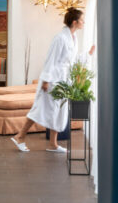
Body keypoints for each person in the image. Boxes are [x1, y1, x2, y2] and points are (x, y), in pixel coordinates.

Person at [12, 8, 94, 152]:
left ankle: (53, 144)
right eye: (82, 20)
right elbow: (51, 59)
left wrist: (88, 54)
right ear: (75, 22)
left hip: (63, 80)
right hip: (52, 80)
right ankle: (20, 136)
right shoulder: (60, 38)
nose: (84, 22)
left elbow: (72, 60)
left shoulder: (73, 38)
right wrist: (45, 81)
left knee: (59, 111)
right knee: (40, 109)